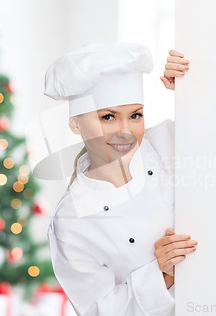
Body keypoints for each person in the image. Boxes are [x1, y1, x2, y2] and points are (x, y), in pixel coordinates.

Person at [44, 42, 192, 316]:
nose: (125, 132)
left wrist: (190, 90)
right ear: (75, 123)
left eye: (135, 115)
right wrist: (162, 274)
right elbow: (99, 310)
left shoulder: (167, 142)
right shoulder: (71, 221)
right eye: (108, 117)